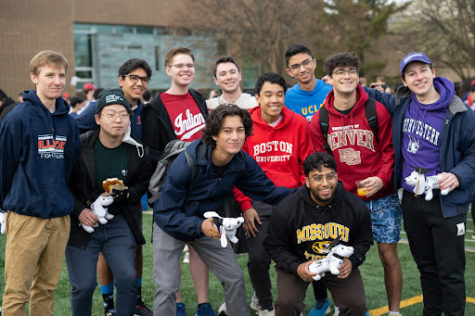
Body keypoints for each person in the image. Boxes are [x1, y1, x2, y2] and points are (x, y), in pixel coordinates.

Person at [153, 104, 295, 316]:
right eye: (227, 131)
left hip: (209, 224)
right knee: (167, 287)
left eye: (240, 130)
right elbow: (163, 213)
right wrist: (199, 225)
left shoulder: (241, 161)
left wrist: (309, 192)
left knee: (234, 278)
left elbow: (269, 193)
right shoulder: (187, 162)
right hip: (172, 222)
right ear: (214, 135)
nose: (235, 136)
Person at [365, 52, 475, 316]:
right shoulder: (401, 104)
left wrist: (458, 174)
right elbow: (364, 92)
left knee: (450, 273)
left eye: (423, 70)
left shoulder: (459, 111)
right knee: (426, 269)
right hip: (413, 200)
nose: (419, 77)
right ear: (404, 80)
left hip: (447, 201)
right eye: (412, 73)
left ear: (433, 72)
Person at [309, 52, 403, 315]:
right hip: (345, 200)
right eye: (340, 71)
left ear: (358, 76)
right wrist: (332, 191)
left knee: (388, 255)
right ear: (329, 79)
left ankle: (394, 311)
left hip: (381, 197)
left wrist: (381, 178)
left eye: (351, 70)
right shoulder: (320, 120)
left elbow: (390, 151)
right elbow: (319, 164)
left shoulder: (377, 110)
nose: (347, 75)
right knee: (340, 256)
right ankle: (344, 306)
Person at [0, 50, 80, 315]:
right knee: (16, 291)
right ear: (34, 78)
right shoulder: (17, 118)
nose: (56, 81)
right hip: (26, 216)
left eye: (61, 76)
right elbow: (4, 167)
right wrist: (5, 207)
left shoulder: (69, 122)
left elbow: (69, 167)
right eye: (49, 75)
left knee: (46, 288)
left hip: (59, 219)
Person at [73, 58, 153, 316]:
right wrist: (79, 210)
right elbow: (63, 183)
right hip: (83, 220)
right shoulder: (80, 146)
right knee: (84, 286)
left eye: (123, 114)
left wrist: (129, 193)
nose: (118, 120)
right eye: (111, 114)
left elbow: (142, 181)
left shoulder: (137, 150)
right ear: (97, 118)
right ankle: (99, 308)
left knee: (128, 278)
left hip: (120, 218)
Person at [231, 72, 311, 316]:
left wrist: (301, 200)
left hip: (291, 199)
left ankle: (294, 301)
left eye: (279, 94)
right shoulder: (244, 125)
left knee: (298, 254)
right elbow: (234, 170)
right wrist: (245, 205)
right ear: (257, 97)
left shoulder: (298, 123)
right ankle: (265, 305)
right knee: (258, 258)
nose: (274, 100)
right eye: (268, 94)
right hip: (257, 202)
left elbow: (306, 166)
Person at [142, 47, 213, 316]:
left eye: (190, 65)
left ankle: (204, 303)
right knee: (172, 248)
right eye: (179, 65)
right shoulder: (156, 108)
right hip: (173, 186)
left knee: (198, 241)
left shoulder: (198, 98)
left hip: (201, 184)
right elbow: (153, 153)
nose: (186, 69)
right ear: (168, 70)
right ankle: (178, 302)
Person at [264, 152, 373, 316]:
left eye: (330, 176)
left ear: (337, 177)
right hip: (299, 261)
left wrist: (352, 260)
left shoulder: (355, 206)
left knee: (355, 304)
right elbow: (274, 246)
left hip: (337, 263)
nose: (325, 183)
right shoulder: (287, 209)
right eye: (317, 178)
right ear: (307, 181)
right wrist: (297, 267)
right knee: (288, 303)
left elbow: (364, 241)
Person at [284, 44, 332, 122]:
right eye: (296, 66)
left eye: (306, 63)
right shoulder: (286, 99)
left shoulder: (332, 88)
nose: (302, 69)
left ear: (314, 63)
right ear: (290, 72)